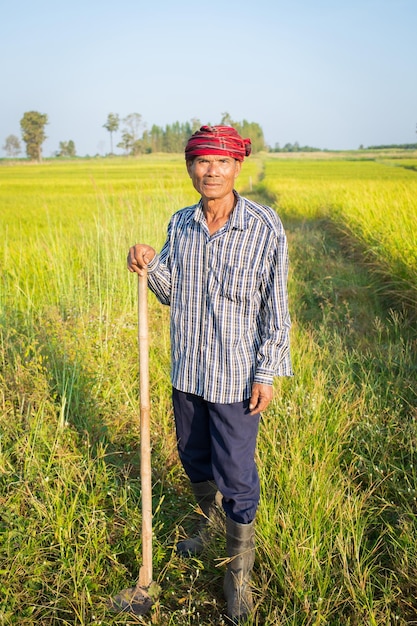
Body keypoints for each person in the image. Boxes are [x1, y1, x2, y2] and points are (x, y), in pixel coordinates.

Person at [127, 125, 292, 623]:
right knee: (192, 455)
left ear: (237, 166)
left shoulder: (263, 226)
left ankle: (238, 571)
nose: (211, 171)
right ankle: (209, 522)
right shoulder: (181, 224)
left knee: (237, 474)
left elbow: (274, 308)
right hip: (188, 371)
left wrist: (267, 372)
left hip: (236, 378)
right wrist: (149, 264)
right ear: (190, 168)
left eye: (221, 161)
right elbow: (172, 292)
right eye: (202, 162)